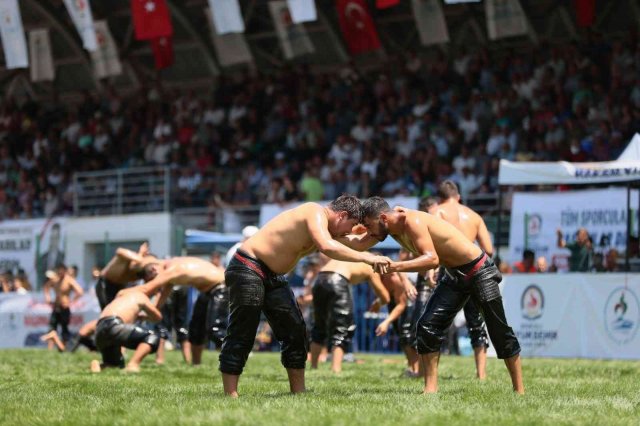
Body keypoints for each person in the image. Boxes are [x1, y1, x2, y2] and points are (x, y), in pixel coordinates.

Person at [220, 195, 392, 397]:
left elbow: (357, 244)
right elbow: (328, 247)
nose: (349, 231)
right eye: (351, 224)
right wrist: (368, 259)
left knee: (296, 331)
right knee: (244, 330)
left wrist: (377, 231)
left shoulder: (328, 230)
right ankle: (230, 394)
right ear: (341, 215)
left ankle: (299, 392)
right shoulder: (313, 212)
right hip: (247, 266)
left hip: (273, 275)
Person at [361, 196, 523, 394]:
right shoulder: (387, 228)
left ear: (384, 218)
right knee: (427, 325)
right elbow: (358, 243)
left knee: (498, 330)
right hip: (454, 275)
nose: (369, 232)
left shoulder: (412, 221)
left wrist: (395, 266)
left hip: (479, 271)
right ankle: (430, 389)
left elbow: (431, 259)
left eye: (369, 226)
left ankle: (519, 390)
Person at [427, 182, 492, 380]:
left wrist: (432, 269)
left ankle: (430, 375)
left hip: (451, 271)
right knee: (476, 323)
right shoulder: (474, 216)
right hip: (474, 270)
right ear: (459, 197)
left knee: (434, 322)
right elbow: (488, 249)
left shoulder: (437, 211)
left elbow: (429, 244)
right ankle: (481, 374)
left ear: (440, 198)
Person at [125, 256, 226, 365]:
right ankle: (196, 364)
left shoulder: (172, 269)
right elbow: (162, 297)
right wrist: (148, 313)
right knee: (196, 330)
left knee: (216, 331)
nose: (156, 280)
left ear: (154, 269)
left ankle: (233, 362)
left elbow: (147, 289)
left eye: (152, 278)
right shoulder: (169, 270)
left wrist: (123, 294)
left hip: (222, 287)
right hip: (207, 291)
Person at [310, 257, 390, 373]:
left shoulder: (358, 255)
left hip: (320, 279)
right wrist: (378, 303)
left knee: (319, 325)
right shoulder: (372, 264)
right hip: (338, 280)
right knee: (342, 328)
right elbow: (385, 297)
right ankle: (335, 369)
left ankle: (313, 366)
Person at [90, 290, 162, 373]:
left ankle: (100, 366)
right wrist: (142, 317)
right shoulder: (141, 296)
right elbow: (158, 317)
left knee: (115, 364)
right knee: (152, 337)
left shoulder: (122, 296)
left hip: (99, 331)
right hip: (114, 325)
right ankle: (133, 364)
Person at [370, 269, 416, 377]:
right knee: (401, 336)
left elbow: (401, 304)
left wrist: (386, 322)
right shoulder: (378, 278)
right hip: (394, 304)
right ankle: (411, 366)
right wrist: (378, 302)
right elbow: (386, 296)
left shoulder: (396, 280)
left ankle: (415, 368)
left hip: (408, 305)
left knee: (407, 335)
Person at [95, 242, 160, 310]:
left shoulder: (145, 273)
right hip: (105, 284)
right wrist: (139, 256)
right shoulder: (130, 258)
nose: (154, 269)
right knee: (108, 312)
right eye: (151, 263)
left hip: (119, 287)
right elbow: (119, 251)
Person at [43, 264, 84, 346]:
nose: (60, 272)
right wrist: (47, 297)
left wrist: (72, 301)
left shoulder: (69, 280)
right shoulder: (55, 280)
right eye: (58, 270)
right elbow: (46, 287)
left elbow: (80, 291)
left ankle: (63, 346)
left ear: (65, 271)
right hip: (56, 306)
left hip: (65, 307)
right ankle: (50, 348)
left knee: (64, 328)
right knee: (52, 327)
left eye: (61, 270)